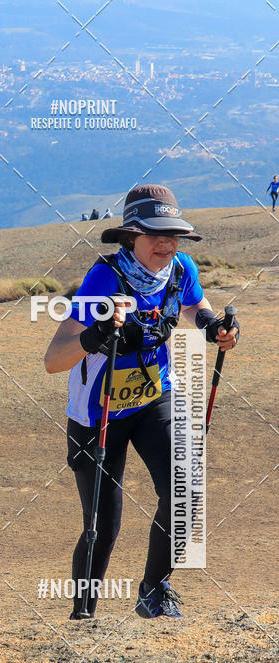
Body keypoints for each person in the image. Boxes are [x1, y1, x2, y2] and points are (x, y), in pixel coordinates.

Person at [44, 184, 239, 619]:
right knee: (103, 523)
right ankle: (84, 615)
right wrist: (95, 336)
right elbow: (54, 360)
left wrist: (215, 329)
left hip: (154, 397)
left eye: (174, 235)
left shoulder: (180, 267)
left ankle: (153, 590)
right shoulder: (104, 278)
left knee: (183, 491)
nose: (167, 243)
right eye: (156, 234)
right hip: (99, 412)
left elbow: (194, 308)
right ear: (132, 235)